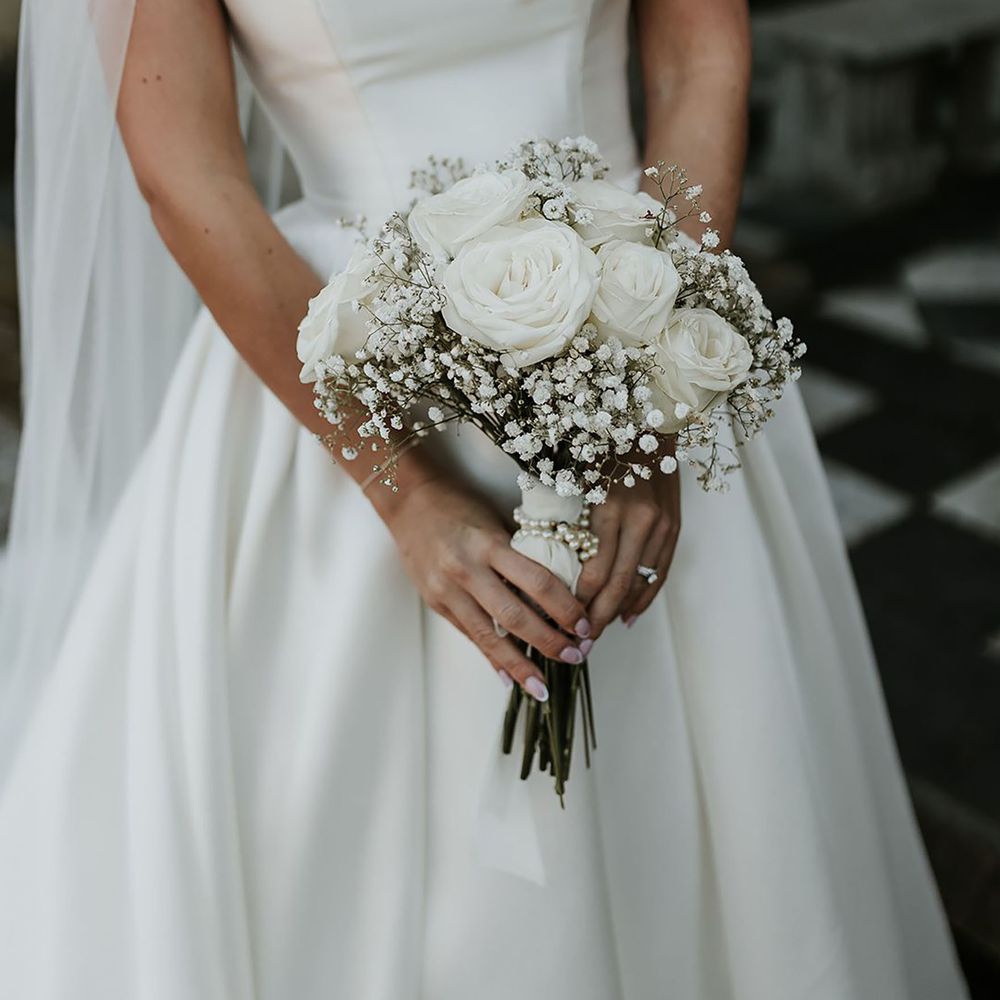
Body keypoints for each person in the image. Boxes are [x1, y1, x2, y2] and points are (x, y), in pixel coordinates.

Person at [0, 1, 970, 997]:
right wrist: (403, 486)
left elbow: (697, 49)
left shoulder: (648, 361)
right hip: (344, 366)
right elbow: (183, 166)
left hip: (635, 303)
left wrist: (652, 392)